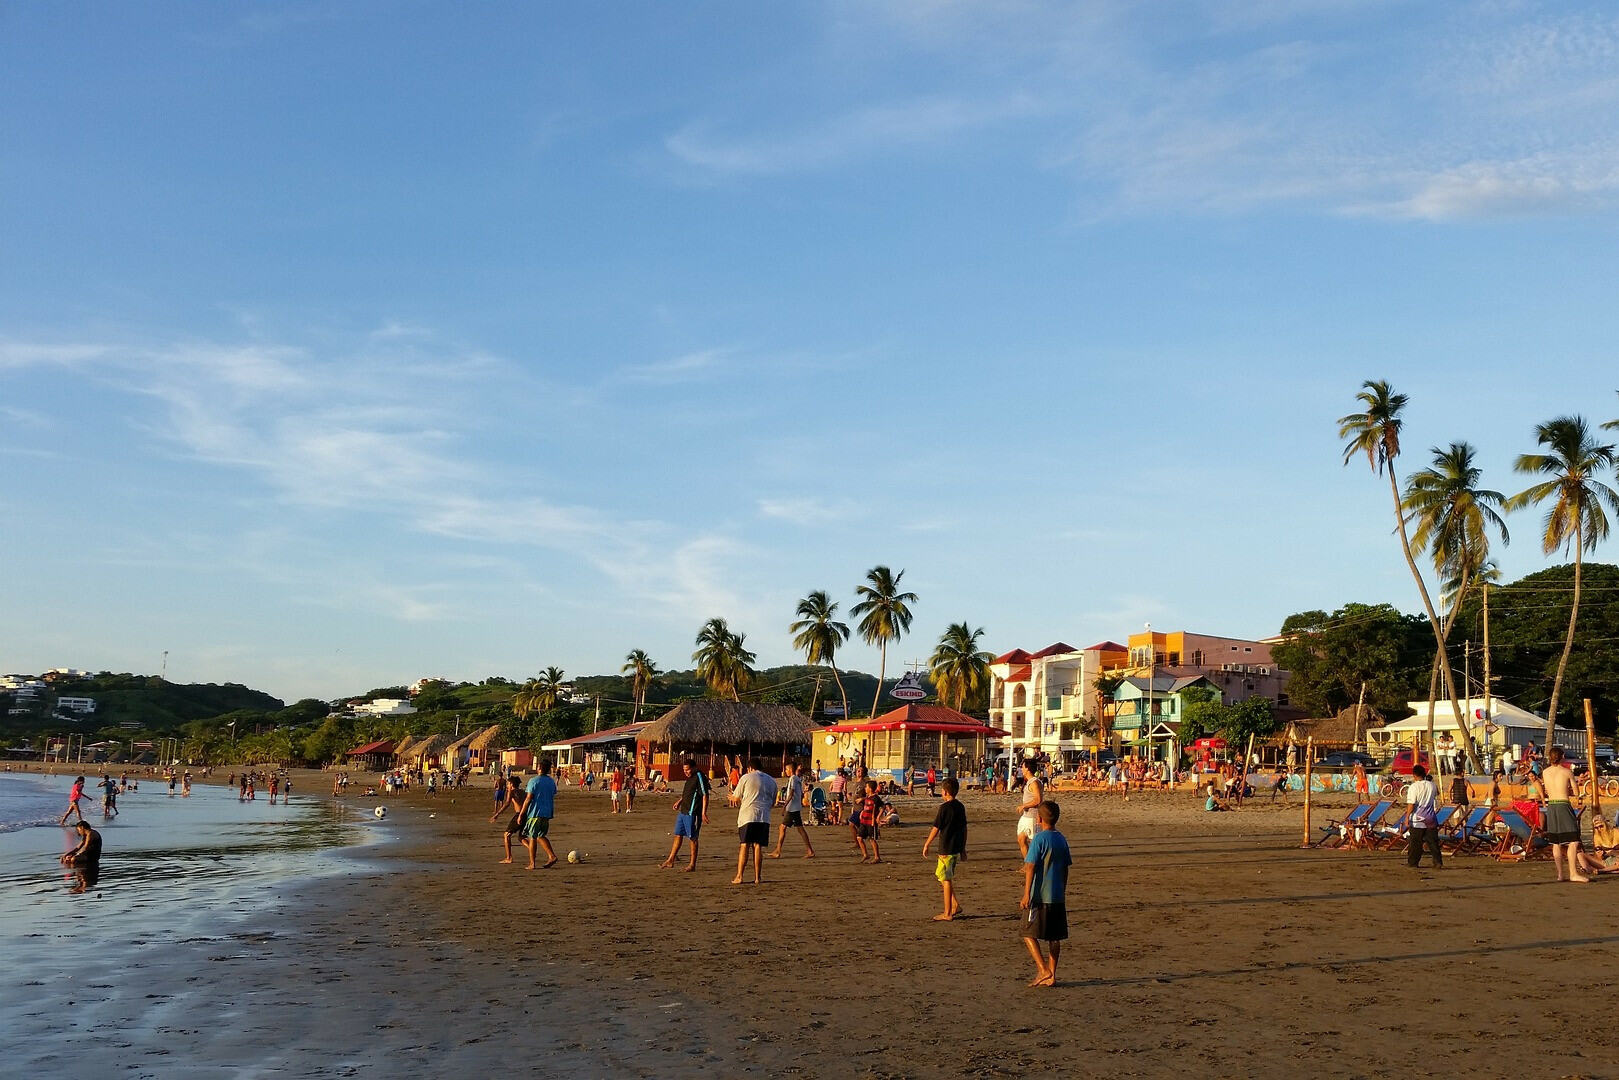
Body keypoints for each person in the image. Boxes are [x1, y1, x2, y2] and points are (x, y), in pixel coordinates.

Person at [1020, 801, 1070, 988]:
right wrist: (1063, 889)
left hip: (1040, 896)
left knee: (1027, 932)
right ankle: (1052, 975)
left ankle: (1043, 969)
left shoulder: (1039, 839)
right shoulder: (1061, 839)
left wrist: (1026, 894)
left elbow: (1030, 867)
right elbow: (1065, 868)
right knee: (1054, 937)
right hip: (1057, 895)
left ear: (1039, 819)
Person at [921, 777, 967, 921]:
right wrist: (963, 848)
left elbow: (936, 828)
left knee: (946, 879)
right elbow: (964, 828)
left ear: (945, 792)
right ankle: (955, 904)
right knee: (942, 876)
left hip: (947, 847)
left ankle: (948, 913)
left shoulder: (944, 808)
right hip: (955, 847)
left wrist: (927, 843)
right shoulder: (960, 806)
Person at [727, 758, 777, 885]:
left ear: (749, 768)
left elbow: (736, 797)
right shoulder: (771, 780)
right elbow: (772, 801)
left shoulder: (746, 777)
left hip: (748, 816)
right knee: (758, 846)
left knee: (745, 845)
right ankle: (757, 877)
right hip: (764, 816)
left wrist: (731, 797)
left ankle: (740, 876)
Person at [1541, 747, 1588, 884]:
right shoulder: (1567, 772)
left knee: (1556, 842)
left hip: (1552, 806)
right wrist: (1578, 782)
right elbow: (1575, 791)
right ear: (1562, 756)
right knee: (1573, 840)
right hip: (1563, 804)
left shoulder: (1545, 772)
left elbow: (1547, 790)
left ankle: (1560, 874)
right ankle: (1573, 873)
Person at [660, 754, 710, 871]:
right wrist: (679, 801)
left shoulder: (699, 776)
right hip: (683, 811)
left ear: (693, 768)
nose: (685, 772)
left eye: (687, 769)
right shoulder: (690, 777)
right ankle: (671, 859)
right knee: (678, 834)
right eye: (684, 770)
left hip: (693, 812)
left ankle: (692, 864)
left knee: (693, 837)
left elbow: (705, 795)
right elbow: (688, 793)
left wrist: (703, 813)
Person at [518, 759, 559, 870]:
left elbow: (528, 799)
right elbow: (553, 793)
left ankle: (532, 863)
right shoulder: (551, 781)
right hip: (547, 812)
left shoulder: (534, 781)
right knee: (541, 835)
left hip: (535, 812)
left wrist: (521, 813)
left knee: (532, 837)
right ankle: (551, 855)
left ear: (539, 768)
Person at [767, 764, 815, 860]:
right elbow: (799, 794)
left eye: (786, 769)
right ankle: (810, 851)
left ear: (790, 770)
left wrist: (784, 806)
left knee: (783, 827)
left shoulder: (793, 779)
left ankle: (778, 851)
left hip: (792, 808)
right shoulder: (796, 779)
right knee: (799, 829)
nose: (785, 771)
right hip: (795, 808)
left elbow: (791, 794)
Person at [1405, 764, 1442, 869]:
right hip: (1430, 817)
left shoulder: (1414, 787)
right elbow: (1437, 793)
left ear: (1414, 775)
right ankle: (1437, 861)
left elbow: (1411, 804)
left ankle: (1413, 862)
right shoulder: (1432, 785)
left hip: (1418, 819)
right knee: (1433, 842)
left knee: (1415, 842)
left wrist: (1407, 817)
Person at [489, 776, 528, 865]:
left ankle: (509, 858)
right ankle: (531, 850)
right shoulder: (523, 792)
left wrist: (497, 814)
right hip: (526, 815)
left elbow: (507, 804)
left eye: (508, 783)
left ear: (511, 784)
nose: (507, 785)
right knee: (521, 837)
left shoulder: (511, 791)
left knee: (506, 835)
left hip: (519, 815)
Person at [853, 780, 887, 863]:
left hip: (871, 822)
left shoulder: (876, 798)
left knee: (872, 840)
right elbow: (866, 802)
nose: (865, 788)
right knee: (859, 838)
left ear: (870, 788)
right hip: (864, 821)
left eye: (866, 787)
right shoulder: (868, 797)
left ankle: (877, 857)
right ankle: (865, 854)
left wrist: (878, 817)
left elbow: (883, 806)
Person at [1016, 761, 1044, 858]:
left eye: (1022, 767)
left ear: (1027, 768)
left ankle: (1033, 865)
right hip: (1026, 815)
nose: (1021, 769)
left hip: (1033, 816)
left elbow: (1038, 800)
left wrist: (1024, 806)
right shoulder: (1029, 782)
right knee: (1021, 838)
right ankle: (1028, 863)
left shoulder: (1034, 782)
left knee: (1034, 843)